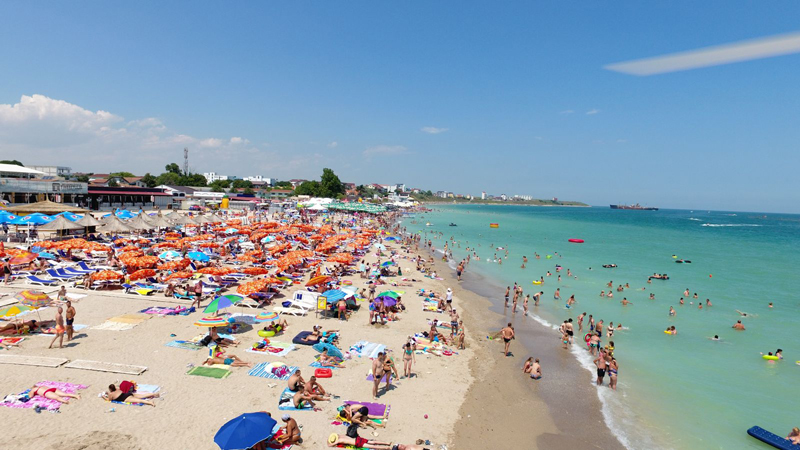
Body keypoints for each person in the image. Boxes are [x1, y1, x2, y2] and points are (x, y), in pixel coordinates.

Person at [327, 433, 392, 450]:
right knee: (373, 442)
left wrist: (329, 443)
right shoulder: (341, 436)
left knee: (373, 446)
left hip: (357, 443)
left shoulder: (339, 440)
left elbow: (330, 445)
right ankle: (387, 443)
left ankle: (387, 448)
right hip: (358, 439)